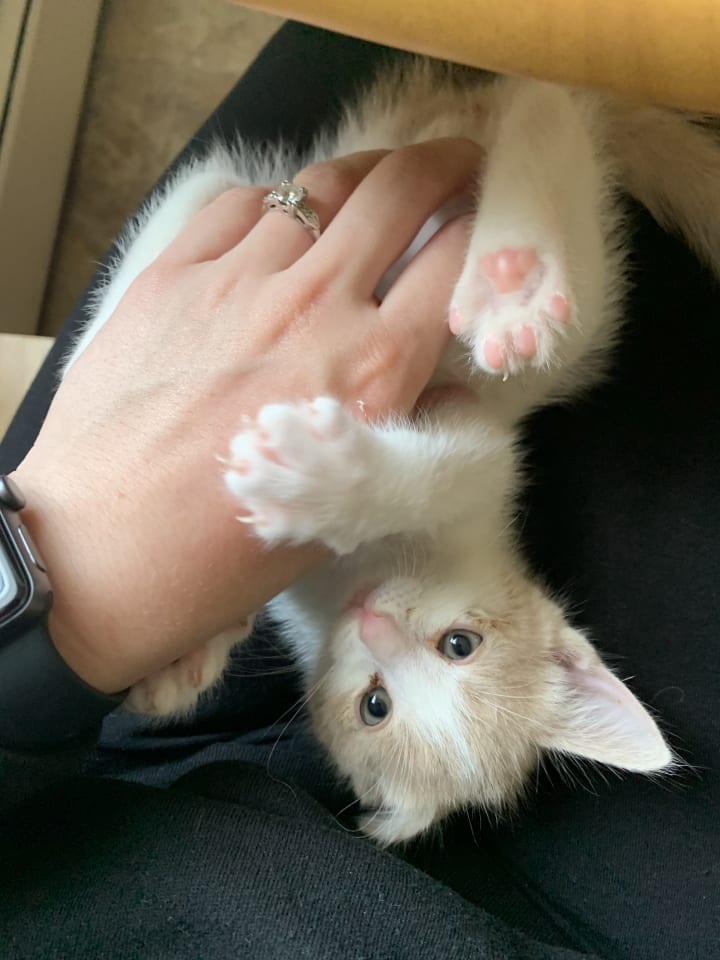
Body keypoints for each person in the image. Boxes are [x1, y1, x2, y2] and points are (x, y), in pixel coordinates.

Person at [1, 22, 718, 960]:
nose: (378, 634)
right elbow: (467, 464)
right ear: (565, 654)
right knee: (543, 354)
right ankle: (543, 142)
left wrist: (127, 615)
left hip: (303, 235)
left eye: (374, 706)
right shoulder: (454, 542)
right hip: (465, 283)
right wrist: (368, 488)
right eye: (457, 644)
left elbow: (234, 551)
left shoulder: (301, 643)